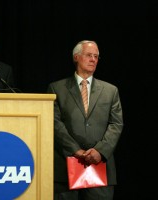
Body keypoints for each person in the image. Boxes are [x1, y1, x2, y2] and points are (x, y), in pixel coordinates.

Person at [47, 40, 123, 200]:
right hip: (65, 167)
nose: (93, 59)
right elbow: (54, 123)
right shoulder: (57, 88)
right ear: (76, 57)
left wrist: (100, 151)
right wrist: (75, 150)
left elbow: (116, 124)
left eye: (96, 56)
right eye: (89, 55)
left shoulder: (110, 91)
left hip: (99, 166)